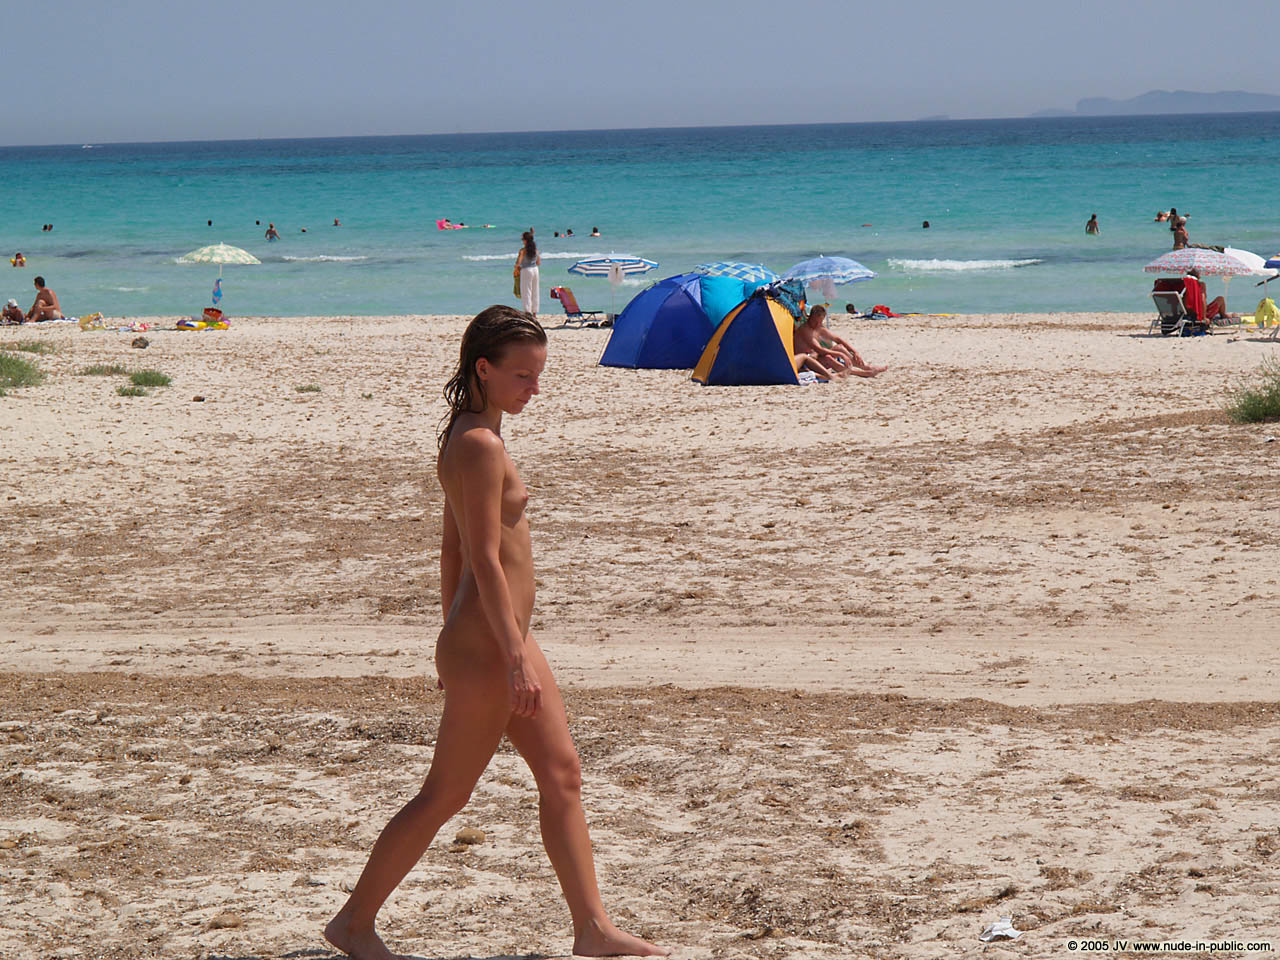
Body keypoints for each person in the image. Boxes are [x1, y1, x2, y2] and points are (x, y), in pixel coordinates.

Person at [324, 306, 668, 960]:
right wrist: (506, 657)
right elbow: (482, 558)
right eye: (522, 376)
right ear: (483, 368)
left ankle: (592, 929)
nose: (534, 388)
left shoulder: (473, 433)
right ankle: (353, 924)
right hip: (492, 645)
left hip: (493, 635)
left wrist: (457, 638)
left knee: (562, 775)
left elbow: (451, 548)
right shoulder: (478, 444)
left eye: (538, 376)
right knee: (446, 794)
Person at [795, 305, 888, 378]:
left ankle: (867, 367)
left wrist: (855, 352)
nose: (817, 324)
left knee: (839, 347)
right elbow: (819, 350)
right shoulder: (805, 330)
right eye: (815, 322)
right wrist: (841, 355)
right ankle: (862, 373)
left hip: (816, 357)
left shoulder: (818, 327)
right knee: (828, 357)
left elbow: (837, 339)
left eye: (820, 322)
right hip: (806, 362)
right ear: (810, 317)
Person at [516, 230, 540, 315]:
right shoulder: (535, 250)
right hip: (535, 269)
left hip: (526, 270)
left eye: (522, 239)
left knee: (526, 291)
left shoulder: (523, 250)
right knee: (535, 291)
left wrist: (516, 269)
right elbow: (538, 262)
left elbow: (518, 262)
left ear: (525, 240)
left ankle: (527, 311)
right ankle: (534, 312)